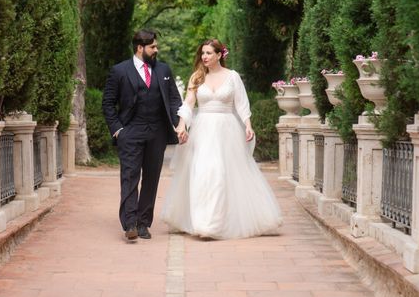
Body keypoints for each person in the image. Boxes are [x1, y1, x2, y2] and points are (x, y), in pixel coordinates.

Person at [161, 39, 283, 239]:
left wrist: (248, 125)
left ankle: (215, 223)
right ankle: (204, 223)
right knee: (203, 172)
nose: (204, 57)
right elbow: (188, 104)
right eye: (203, 53)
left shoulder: (232, 77)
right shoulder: (197, 77)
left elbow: (242, 103)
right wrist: (182, 125)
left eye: (209, 53)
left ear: (219, 55)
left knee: (221, 174)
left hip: (227, 131)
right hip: (203, 131)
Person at [102, 29, 186, 241]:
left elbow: (175, 99)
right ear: (140, 48)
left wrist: (179, 124)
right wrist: (118, 130)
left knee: (151, 178)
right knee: (130, 176)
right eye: (153, 47)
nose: (156, 50)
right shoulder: (120, 71)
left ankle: (143, 223)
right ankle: (129, 223)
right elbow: (108, 103)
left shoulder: (164, 70)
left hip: (157, 132)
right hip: (130, 131)